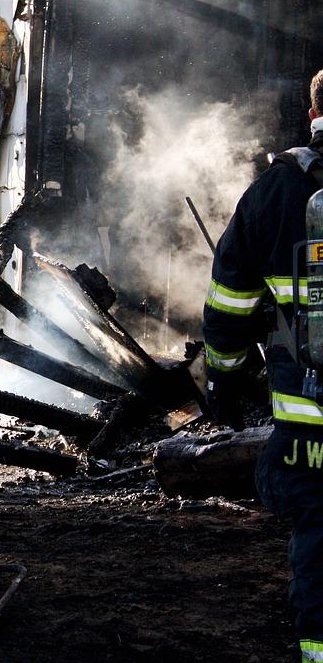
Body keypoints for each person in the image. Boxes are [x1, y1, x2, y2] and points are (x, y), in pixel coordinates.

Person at [204, 70, 323, 663]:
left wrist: (225, 382)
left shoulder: (274, 192)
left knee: (319, 535)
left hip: (310, 416)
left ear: (312, 116)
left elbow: (228, 306)